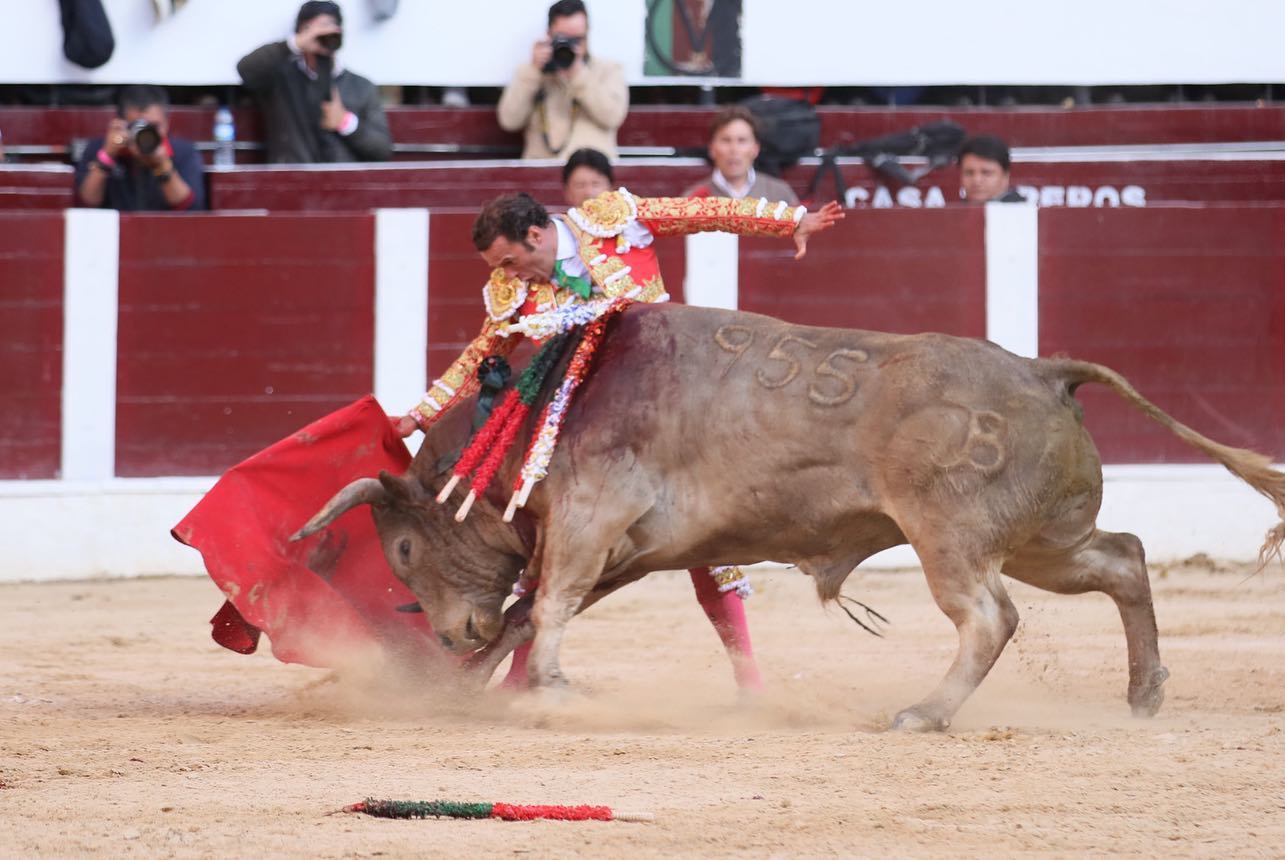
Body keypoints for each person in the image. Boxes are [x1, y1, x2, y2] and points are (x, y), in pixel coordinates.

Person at [393, 189, 844, 690]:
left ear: (537, 235)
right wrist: (421, 414)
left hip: (667, 412)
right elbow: (482, 357)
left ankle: (748, 676)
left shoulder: (613, 223)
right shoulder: (511, 287)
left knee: (708, 542)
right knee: (554, 543)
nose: (509, 274)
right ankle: (520, 676)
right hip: (590, 433)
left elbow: (701, 213)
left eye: (511, 261)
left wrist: (790, 222)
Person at [237, 1, 392, 164]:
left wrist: (345, 122)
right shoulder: (280, 79)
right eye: (313, 29)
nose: (322, 34)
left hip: (343, 183)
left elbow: (381, 150)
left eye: (329, 27)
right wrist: (293, 45)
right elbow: (246, 70)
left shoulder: (361, 87)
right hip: (293, 180)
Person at [497, 0, 628, 161]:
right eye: (563, 38)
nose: (571, 46)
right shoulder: (532, 71)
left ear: (587, 33)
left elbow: (612, 117)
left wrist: (578, 74)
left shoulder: (608, 69)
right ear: (549, 34)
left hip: (591, 174)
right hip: (542, 170)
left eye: (578, 39)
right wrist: (533, 73)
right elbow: (510, 121)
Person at [74, 85, 205, 212]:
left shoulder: (184, 152)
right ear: (122, 123)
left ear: (167, 123)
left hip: (167, 231)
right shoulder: (100, 148)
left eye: (153, 127)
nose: (146, 134)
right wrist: (107, 156)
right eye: (137, 126)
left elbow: (190, 208)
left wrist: (162, 165)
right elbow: (86, 205)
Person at [682, 106, 799, 204]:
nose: (734, 149)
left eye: (742, 140)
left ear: (755, 149)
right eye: (726, 140)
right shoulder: (693, 198)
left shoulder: (779, 193)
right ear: (712, 149)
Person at [957, 135, 1026, 203]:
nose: (976, 180)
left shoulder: (1027, 212)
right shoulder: (951, 212)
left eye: (986, 173)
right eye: (969, 173)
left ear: (1005, 176)